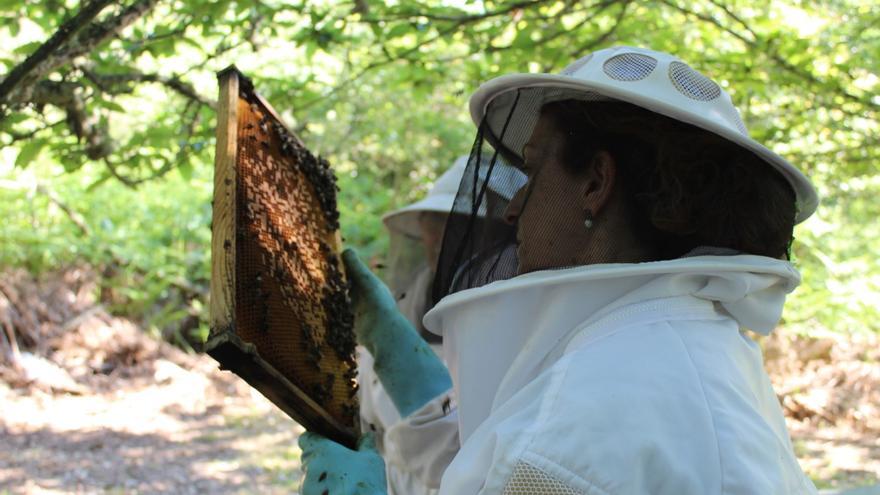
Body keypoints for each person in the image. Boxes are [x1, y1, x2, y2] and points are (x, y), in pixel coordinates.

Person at [299, 46, 820, 494]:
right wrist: (405, 371)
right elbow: (494, 463)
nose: (511, 206)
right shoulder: (699, 341)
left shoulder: (576, 419)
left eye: (531, 170)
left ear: (595, 182)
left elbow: (543, 458)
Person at [355, 157, 467, 495]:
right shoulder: (397, 314)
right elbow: (366, 426)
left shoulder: (515, 333)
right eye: (431, 223)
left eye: (455, 225)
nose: (437, 239)